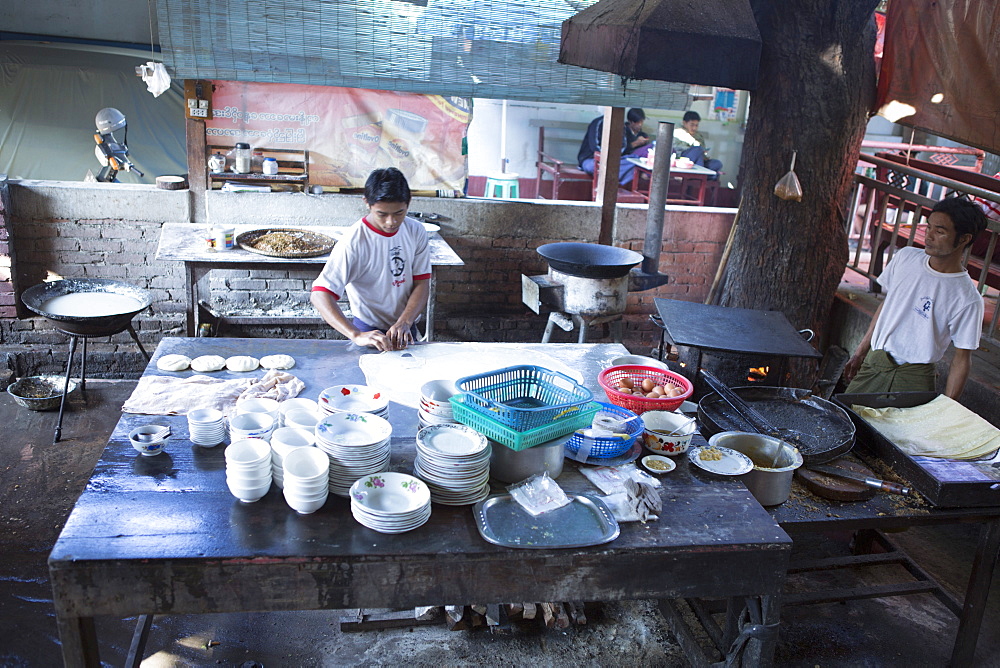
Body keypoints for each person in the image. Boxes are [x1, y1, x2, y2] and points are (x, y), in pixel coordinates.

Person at [843, 196, 988, 399]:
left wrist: (946, 406)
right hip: (876, 362)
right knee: (847, 419)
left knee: (900, 431)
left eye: (940, 231)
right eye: (929, 227)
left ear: (964, 239)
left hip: (915, 377)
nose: (929, 236)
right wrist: (860, 351)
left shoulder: (967, 298)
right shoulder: (905, 258)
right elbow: (888, 306)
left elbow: (962, 358)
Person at [310, 167, 431, 351]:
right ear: (367, 203)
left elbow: (421, 283)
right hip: (368, 330)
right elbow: (320, 294)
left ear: (409, 203)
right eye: (382, 214)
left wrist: (405, 321)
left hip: (405, 327)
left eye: (399, 213)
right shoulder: (354, 241)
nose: (391, 222)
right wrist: (355, 335)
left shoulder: (416, 231)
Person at [577, 108, 651, 186]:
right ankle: (618, 174)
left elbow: (623, 147)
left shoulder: (621, 126)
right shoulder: (598, 123)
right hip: (591, 160)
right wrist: (611, 159)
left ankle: (616, 173)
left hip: (613, 162)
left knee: (634, 162)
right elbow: (595, 148)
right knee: (598, 167)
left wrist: (615, 159)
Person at [672, 111, 723, 179]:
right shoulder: (678, 132)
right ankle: (700, 176)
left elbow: (703, 150)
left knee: (717, 163)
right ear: (684, 123)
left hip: (698, 163)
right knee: (697, 149)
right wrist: (696, 150)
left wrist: (704, 156)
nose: (694, 128)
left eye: (696, 125)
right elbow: (676, 149)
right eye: (692, 125)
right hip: (683, 160)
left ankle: (698, 175)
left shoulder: (698, 136)